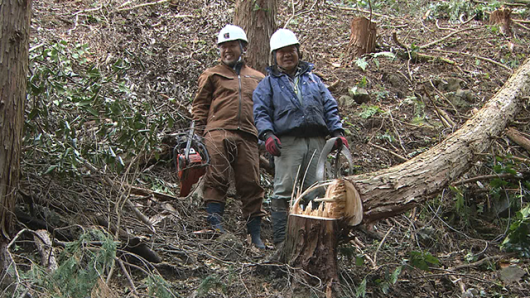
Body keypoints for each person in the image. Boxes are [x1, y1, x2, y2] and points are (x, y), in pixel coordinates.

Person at [253, 28, 349, 245]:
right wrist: (267, 135)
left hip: (316, 141)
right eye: (281, 52)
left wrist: (337, 132)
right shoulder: (267, 84)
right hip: (287, 143)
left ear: (298, 52)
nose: (287, 55)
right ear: (274, 56)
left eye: (291, 51)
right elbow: (261, 113)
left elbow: (330, 107)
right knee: (284, 190)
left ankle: (314, 241)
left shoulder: (314, 81)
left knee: (316, 189)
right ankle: (281, 241)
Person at [192, 24, 266, 249]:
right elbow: (200, 105)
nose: (227, 50)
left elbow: (264, 109)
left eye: (232, 45)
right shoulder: (211, 74)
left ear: (242, 47)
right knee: (216, 177)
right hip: (217, 132)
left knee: (251, 183)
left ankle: (255, 235)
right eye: (223, 46)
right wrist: (196, 135)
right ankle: (215, 226)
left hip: (248, 135)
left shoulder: (258, 77)